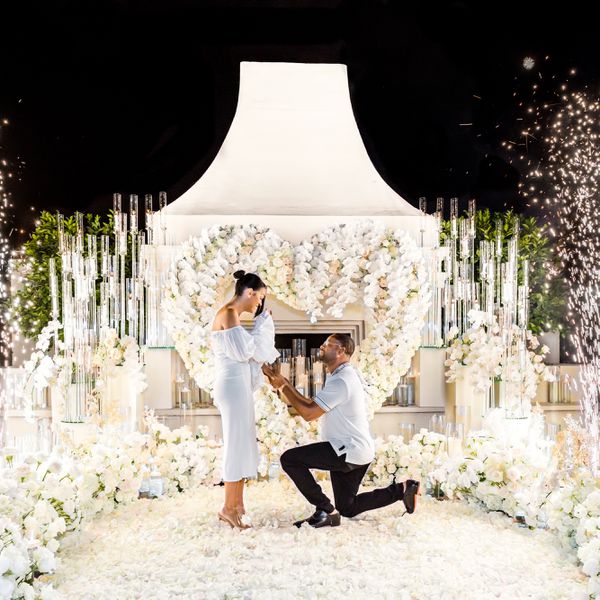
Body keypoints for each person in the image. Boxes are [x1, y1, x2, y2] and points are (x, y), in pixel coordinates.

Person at [262, 333, 419, 528]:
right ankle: (402, 489)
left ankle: (325, 510)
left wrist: (283, 387)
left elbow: (309, 413)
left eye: (327, 344)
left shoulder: (342, 380)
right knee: (348, 507)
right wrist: (283, 383)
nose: (321, 346)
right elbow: (310, 404)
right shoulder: (342, 375)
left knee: (290, 459)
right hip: (357, 450)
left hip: (347, 449)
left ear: (341, 350)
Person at [211, 270, 279, 529]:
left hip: (238, 384)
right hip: (231, 385)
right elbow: (244, 352)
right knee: (235, 444)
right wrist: (261, 331)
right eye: (259, 298)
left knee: (242, 442)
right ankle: (228, 508)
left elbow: (248, 351)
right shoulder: (228, 313)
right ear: (249, 292)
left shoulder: (234, 317)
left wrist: (259, 335)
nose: (259, 305)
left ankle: (238, 505)